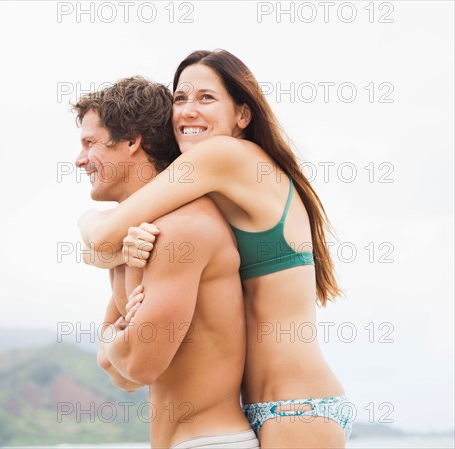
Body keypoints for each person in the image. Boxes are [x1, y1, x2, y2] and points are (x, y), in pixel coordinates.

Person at [79, 50, 353, 448]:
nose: (188, 110)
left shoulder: (223, 156)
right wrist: (119, 245)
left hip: (294, 407)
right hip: (277, 408)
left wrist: (93, 227)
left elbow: (103, 239)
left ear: (242, 115)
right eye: (180, 99)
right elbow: (109, 242)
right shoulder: (223, 185)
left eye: (206, 98)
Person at [73, 76, 259, 449]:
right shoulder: (137, 238)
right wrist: (120, 341)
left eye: (90, 143)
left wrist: (112, 337)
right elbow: (121, 377)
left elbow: (139, 365)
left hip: (211, 441)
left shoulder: (181, 229)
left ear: (132, 141)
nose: (79, 161)